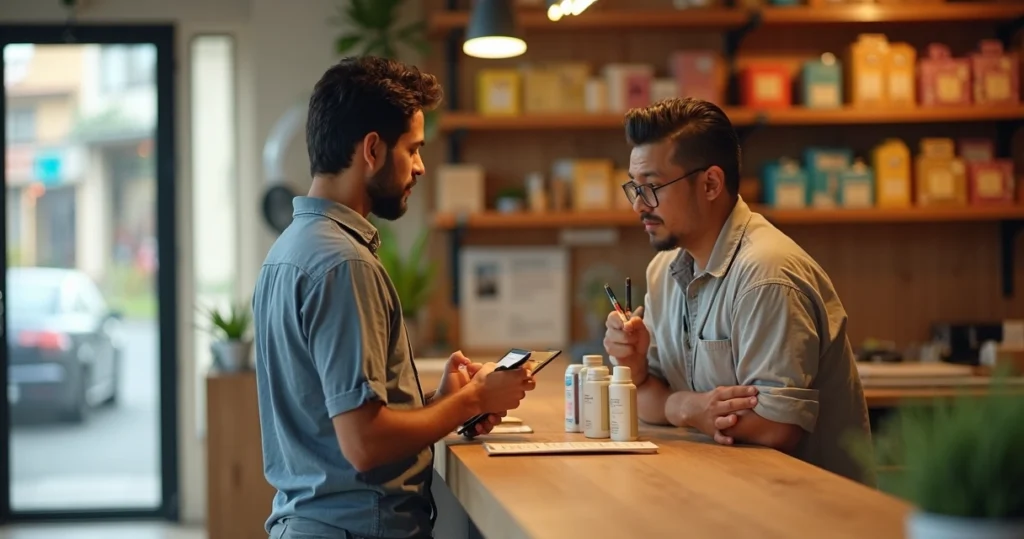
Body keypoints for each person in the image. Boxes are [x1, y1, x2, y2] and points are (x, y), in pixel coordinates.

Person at [252, 56, 536, 539]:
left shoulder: (290, 249)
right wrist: (472, 400)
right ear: (372, 150)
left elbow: (334, 420)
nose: (421, 167)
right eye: (414, 149)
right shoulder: (345, 264)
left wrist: (438, 401)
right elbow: (363, 443)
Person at [602, 97, 875, 486]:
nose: (639, 206)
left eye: (653, 187)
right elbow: (648, 401)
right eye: (635, 188)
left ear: (711, 183)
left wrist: (675, 405)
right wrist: (641, 372)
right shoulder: (664, 270)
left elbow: (775, 426)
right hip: (727, 494)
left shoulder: (766, 273)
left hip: (810, 513)